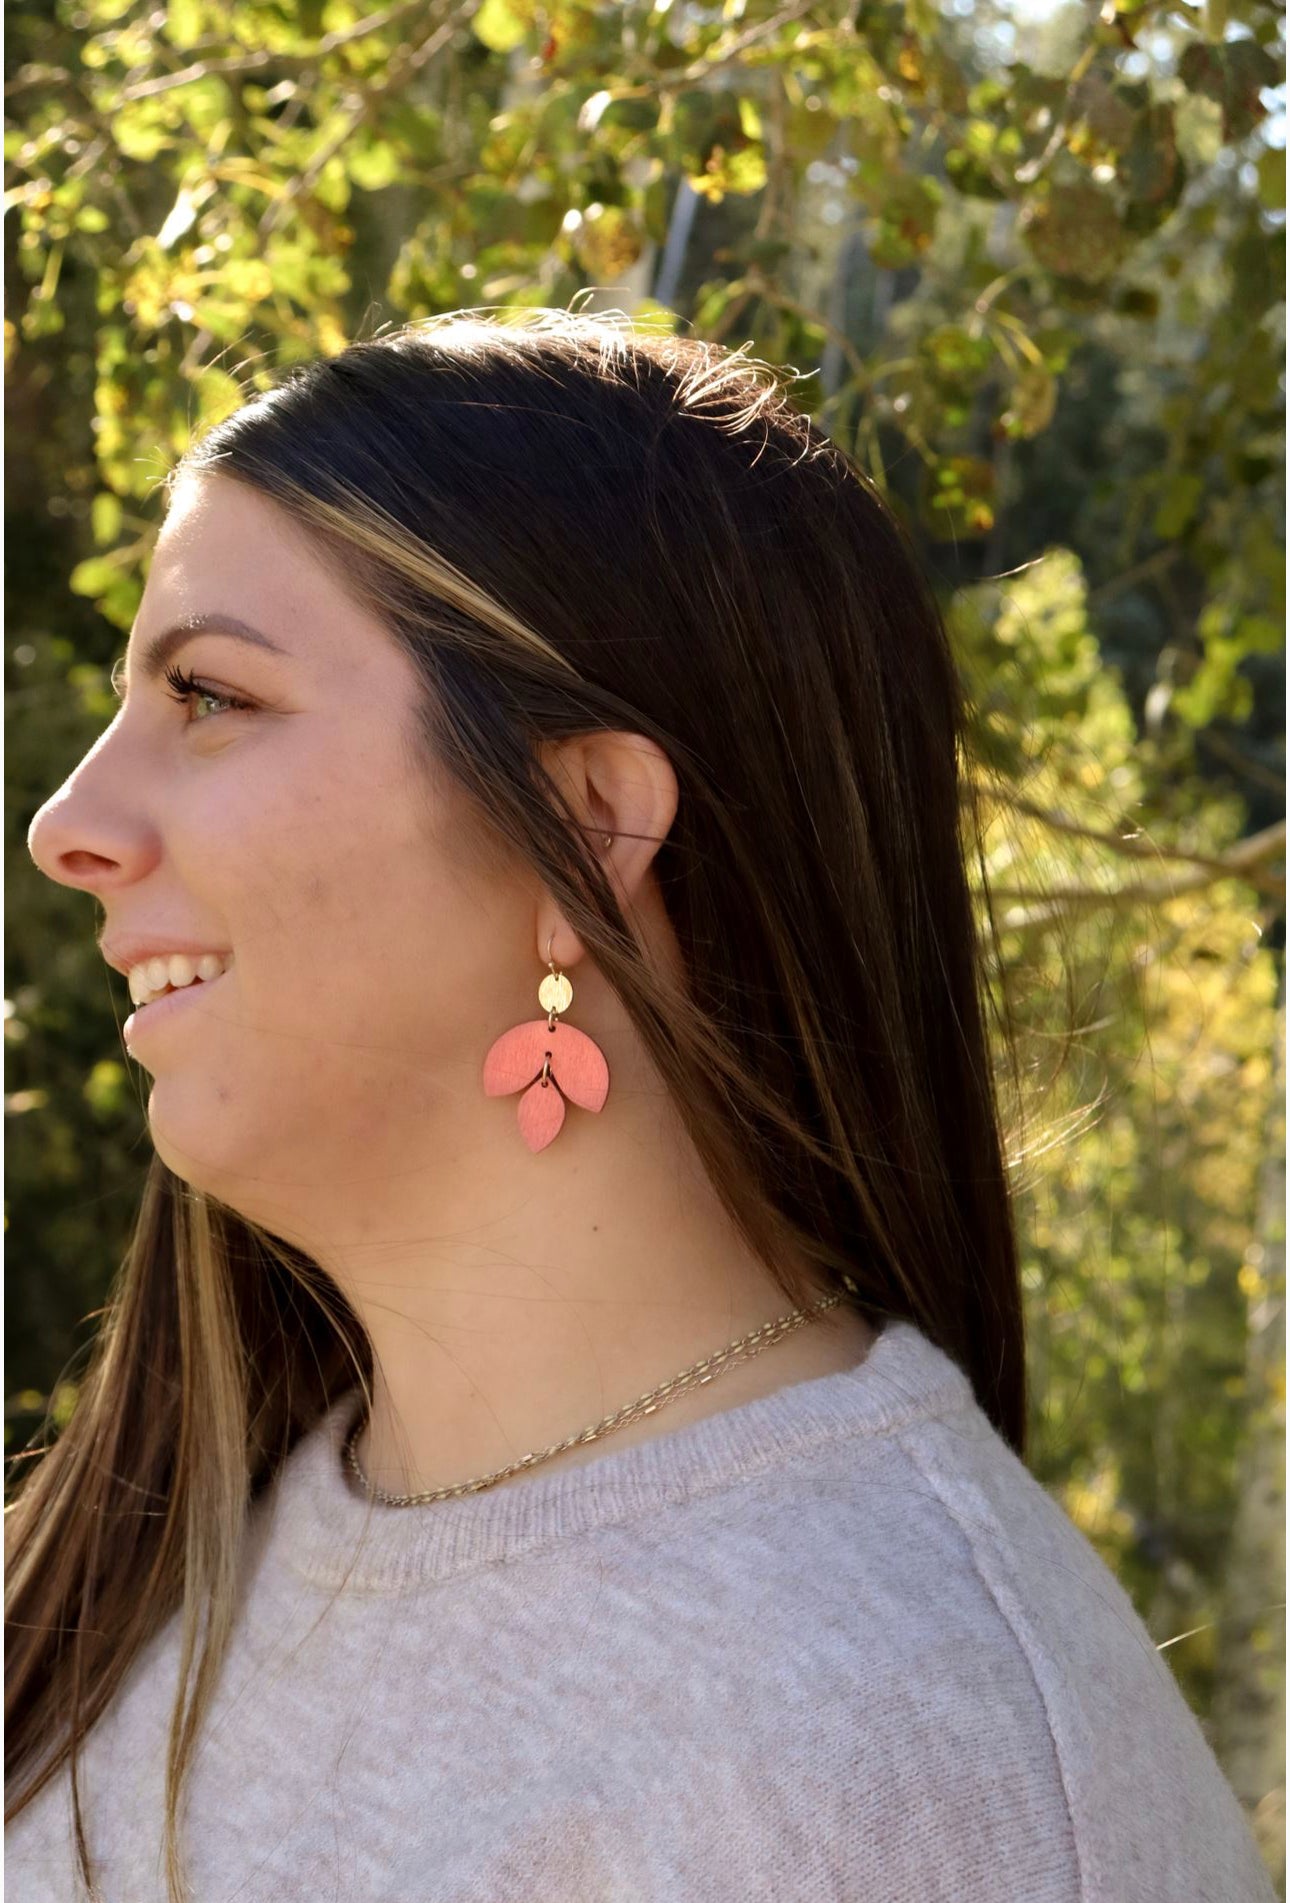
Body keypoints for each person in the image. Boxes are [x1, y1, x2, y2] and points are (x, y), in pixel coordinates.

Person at [8, 308, 1274, 1903]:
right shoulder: (122, 1572)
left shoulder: (924, 1764)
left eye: (207, 696)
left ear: (587, 823)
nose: (71, 824)